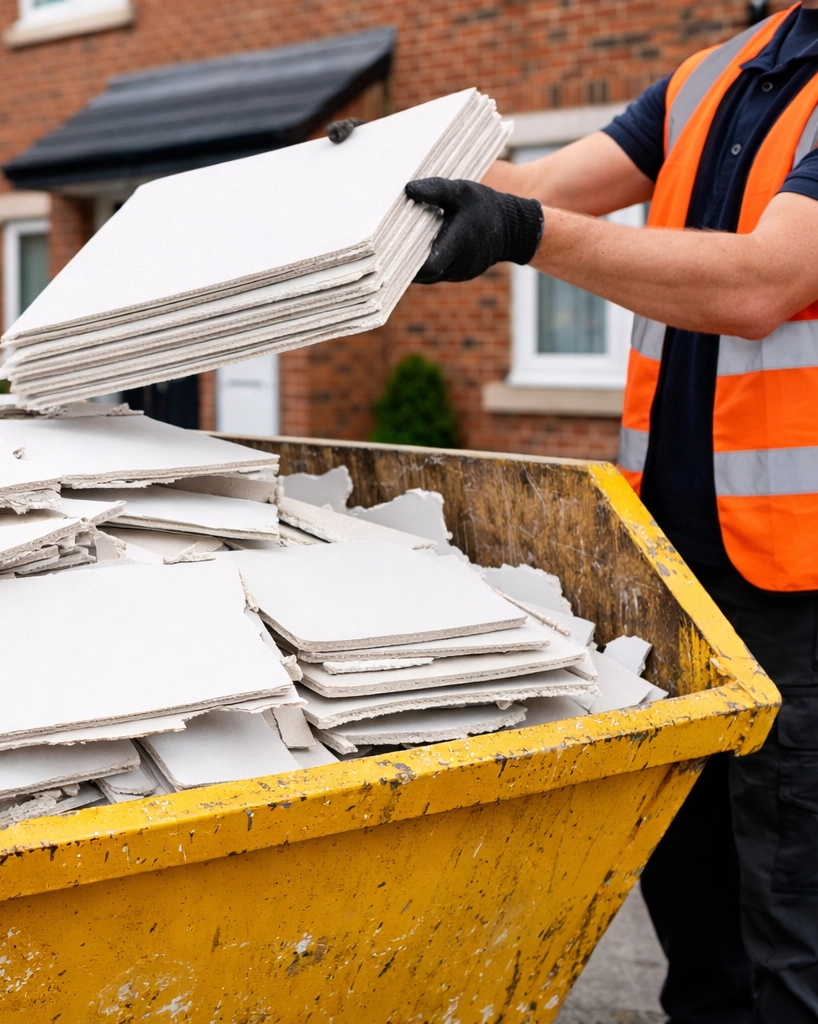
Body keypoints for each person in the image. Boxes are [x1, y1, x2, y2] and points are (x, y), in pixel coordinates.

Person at [389, 4, 818, 1020]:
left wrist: (525, 236)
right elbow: (533, 185)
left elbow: (768, 282)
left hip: (803, 583)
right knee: (694, 903)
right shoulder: (717, 72)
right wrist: (374, 193)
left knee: (797, 921)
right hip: (675, 573)